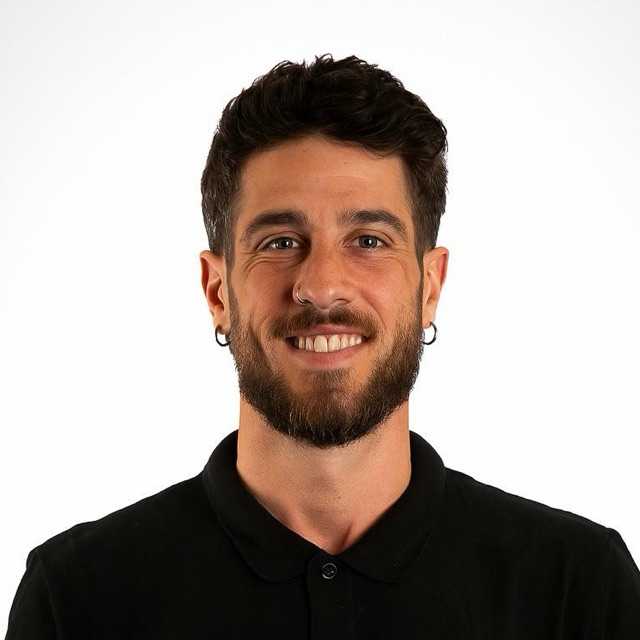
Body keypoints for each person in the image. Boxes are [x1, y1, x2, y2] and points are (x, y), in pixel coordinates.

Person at [5, 53, 640, 639]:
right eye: (280, 242)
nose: (322, 285)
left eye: (369, 241)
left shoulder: (577, 589)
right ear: (218, 290)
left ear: (430, 286)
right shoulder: (78, 600)